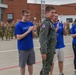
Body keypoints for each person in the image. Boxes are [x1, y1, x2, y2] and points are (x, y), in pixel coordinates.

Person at [14, 9, 37, 75]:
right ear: (22, 15)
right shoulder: (18, 25)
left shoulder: (30, 23)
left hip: (30, 47)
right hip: (23, 48)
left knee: (30, 64)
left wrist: (33, 31)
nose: (28, 17)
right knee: (22, 65)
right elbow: (18, 37)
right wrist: (28, 31)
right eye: (26, 16)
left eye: (29, 16)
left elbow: (35, 35)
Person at [39, 6, 57, 75]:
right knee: (46, 69)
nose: (54, 14)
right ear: (47, 13)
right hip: (47, 50)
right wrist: (44, 52)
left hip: (50, 49)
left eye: (55, 12)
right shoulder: (46, 23)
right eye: (52, 12)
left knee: (46, 68)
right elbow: (42, 38)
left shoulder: (50, 23)